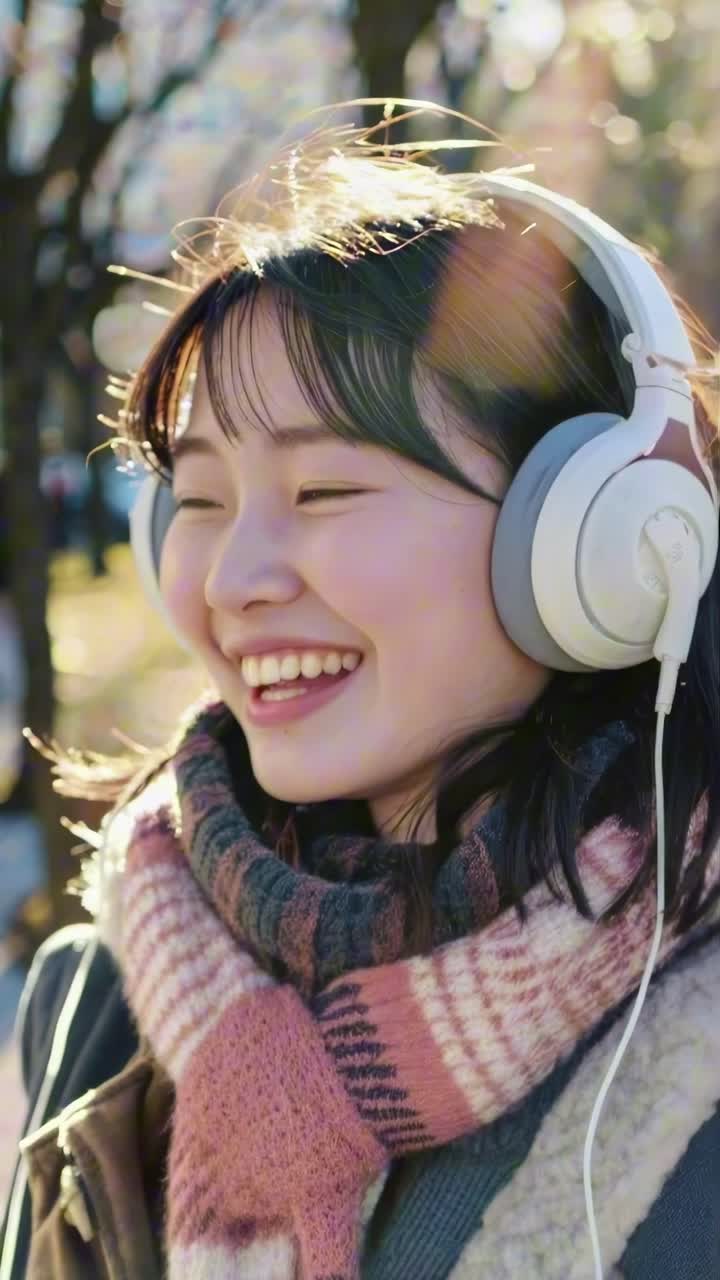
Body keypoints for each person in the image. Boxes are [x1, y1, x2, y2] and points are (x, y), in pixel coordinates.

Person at [1, 104, 719, 1280]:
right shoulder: (99, 1001)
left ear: (601, 531)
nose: (234, 579)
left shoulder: (687, 1043)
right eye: (201, 497)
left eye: (326, 491)